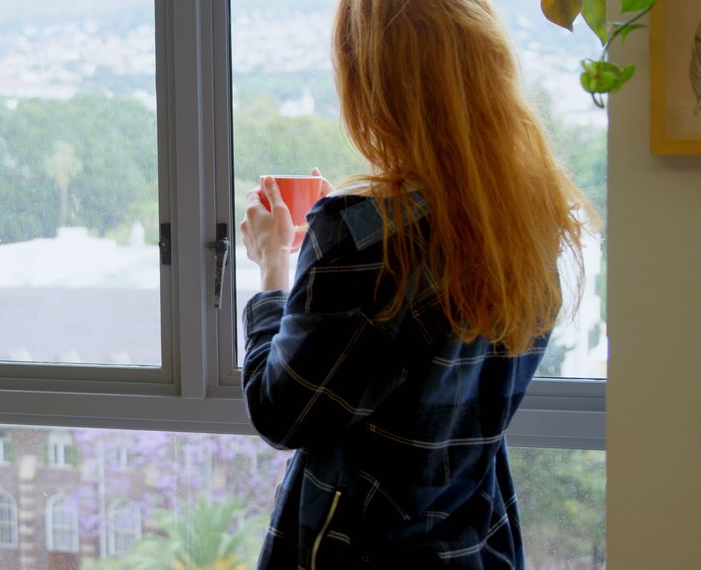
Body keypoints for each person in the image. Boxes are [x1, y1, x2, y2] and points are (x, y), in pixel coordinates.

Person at [239, 0, 594, 568]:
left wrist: (275, 270)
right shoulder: (530, 217)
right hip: (474, 545)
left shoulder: (358, 236)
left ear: (373, 83)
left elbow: (281, 413)